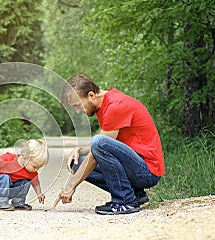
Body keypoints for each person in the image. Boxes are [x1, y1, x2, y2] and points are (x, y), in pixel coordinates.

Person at [54, 73, 165, 215]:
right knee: (78, 162)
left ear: (91, 95)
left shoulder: (115, 106)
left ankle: (125, 201)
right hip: (134, 164)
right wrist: (82, 150)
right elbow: (110, 144)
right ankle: (135, 195)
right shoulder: (104, 103)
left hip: (148, 171)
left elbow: (100, 146)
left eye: (78, 105)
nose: (78, 111)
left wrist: (70, 186)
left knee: (98, 143)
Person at [0, 139, 48, 211]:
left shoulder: (31, 172)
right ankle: (0, 202)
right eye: (34, 166)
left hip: (10, 189)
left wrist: (39, 194)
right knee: (5, 177)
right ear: (24, 157)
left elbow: (36, 183)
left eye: (39, 168)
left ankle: (18, 202)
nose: (36, 170)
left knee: (26, 181)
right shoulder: (8, 159)